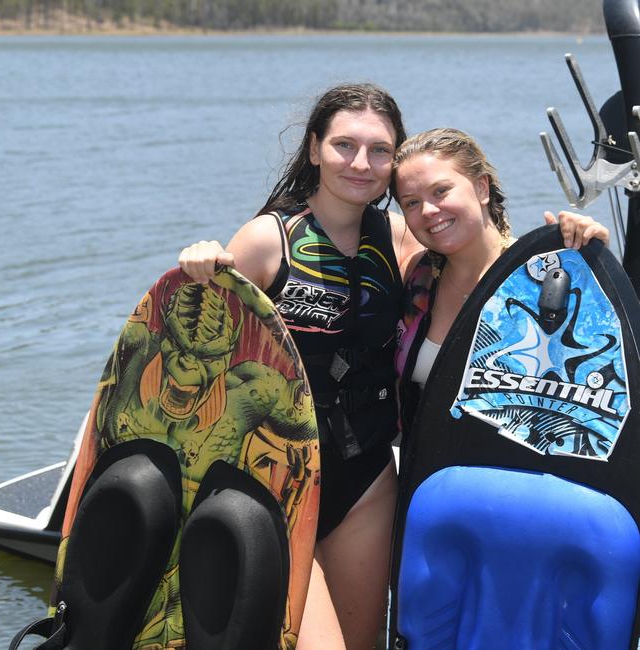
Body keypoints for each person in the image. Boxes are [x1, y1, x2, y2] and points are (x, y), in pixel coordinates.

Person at [180, 82, 421, 650]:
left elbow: (484, 264)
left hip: (366, 481)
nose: (361, 163)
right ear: (314, 148)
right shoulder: (268, 240)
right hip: (273, 477)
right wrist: (201, 263)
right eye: (344, 145)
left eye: (380, 150)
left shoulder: (404, 239)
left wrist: (559, 243)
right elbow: (203, 355)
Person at [391, 127, 610, 438]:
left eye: (441, 191)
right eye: (411, 202)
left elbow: (603, 380)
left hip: (519, 477)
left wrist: (593, 255)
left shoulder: (544, 277)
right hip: (429, 475)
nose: (428, 210)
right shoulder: (419, 278)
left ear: (482, 188)